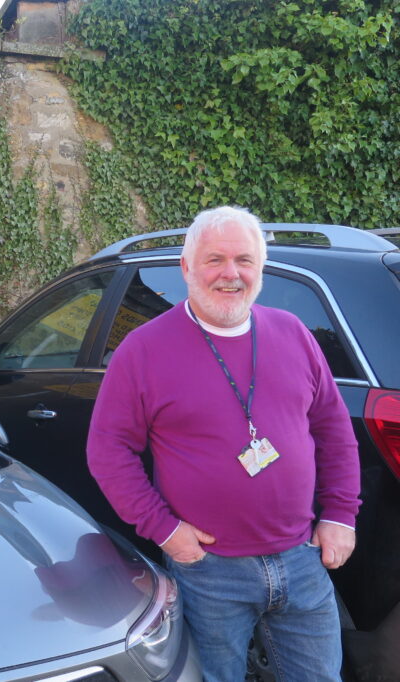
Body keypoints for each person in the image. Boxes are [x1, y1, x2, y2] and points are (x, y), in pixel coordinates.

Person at [86, 206, 360, 681]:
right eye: (214, 259)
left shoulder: (293, 334)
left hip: (302, 558)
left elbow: (333, 429)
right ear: (186, 268)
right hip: (209, 572)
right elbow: (108, 450)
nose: (230, 274)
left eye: (244, 260)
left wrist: (340, 514)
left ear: (260, 269)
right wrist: (165, 530)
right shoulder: (144, 350)